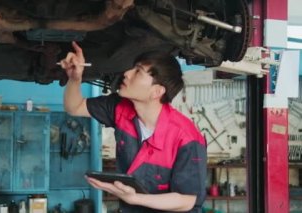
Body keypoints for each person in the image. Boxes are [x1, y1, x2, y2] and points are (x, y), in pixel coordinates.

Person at [59, 41, 207, 213]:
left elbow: (186, 200)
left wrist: (135, 198)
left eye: (138, 71)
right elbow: (74, 107)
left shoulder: (187, 137)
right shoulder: (119, 107)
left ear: (157, 91)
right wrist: (75, 79)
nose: (127, 74)